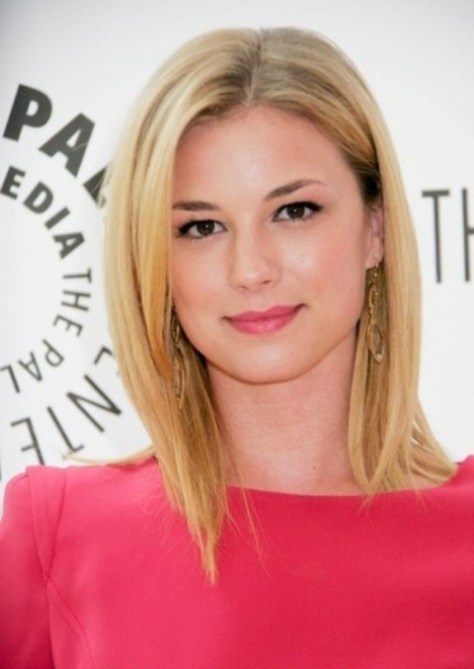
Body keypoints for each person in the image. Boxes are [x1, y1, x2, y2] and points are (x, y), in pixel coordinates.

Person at [0, 26, 473, 668]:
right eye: (202, 226)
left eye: (294, 211)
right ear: (154, 261)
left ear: (375, 229)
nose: (251, 269)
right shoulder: (57, 537)